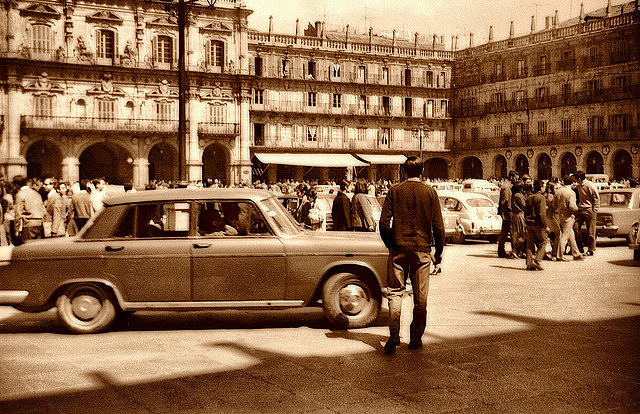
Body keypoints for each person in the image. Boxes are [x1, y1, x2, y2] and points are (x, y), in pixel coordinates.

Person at [379, 156, 445, 354]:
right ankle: (415, 338)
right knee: (420, 298)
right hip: (422, 251)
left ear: (404, 171)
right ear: (422, 171)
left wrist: (392, 244)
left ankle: (393, 335)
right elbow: (438, 227)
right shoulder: (430, 192)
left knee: (395, 292)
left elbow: (383, 224)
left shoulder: (394, 191)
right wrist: (439, 253)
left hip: (398, 249)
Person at [555, 175, 583, 261]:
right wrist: (577, 209)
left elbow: (554, 203)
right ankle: (559, 255)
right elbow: (572, 206)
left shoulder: (558, 191)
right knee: (565, 236)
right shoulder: (571, 193)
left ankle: (576, 253)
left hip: (560, 214)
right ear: (571, 183)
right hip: (569, 215)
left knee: (571, 235)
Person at [524, 180, 550, 271]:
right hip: (538, 224)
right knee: (543, 241)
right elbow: (542, 214)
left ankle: (529, 263)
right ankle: (537, 260)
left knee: (530, 244)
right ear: (541, 188)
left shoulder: (529, 197)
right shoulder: (541, 198)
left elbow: (525, 211)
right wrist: (545, 225)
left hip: (529, 223)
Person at [14, 176, 46, 244]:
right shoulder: (37, 194)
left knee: (27, 249)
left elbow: (18, 213)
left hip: (28, 224)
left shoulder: (20, 194)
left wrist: (17, 229)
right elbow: (43, 210)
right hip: (39, 223)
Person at [574, 170, 599, 256]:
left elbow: (596, 197)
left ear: (580, 178)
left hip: (589, 210)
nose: (575, 181)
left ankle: (590, 249)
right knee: (575, 227)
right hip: (580, 210)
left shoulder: (589, 185)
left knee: (590, 231)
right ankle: (579, 247)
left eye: (576, 179)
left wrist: (595, 209)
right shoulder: (578, 186)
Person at [497, 171, 517, 258]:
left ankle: (501, 250)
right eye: (515, 177)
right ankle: (514, 251)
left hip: (506, 212)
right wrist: (509, 212)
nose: (516, 179)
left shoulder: (506, 186)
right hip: (507, 213)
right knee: (512, 232)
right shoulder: (506, 187)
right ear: (512, 177)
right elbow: (505, 201)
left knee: (504, 233)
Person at [544, 181, 561, 260]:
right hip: (552, 216)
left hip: (547, 217)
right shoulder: (551, 196)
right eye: (556, 188)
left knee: (551, 235)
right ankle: (555, 253)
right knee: (557, 234)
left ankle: (552, 251)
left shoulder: (545, 195)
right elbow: (554, 207)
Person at [510, 180, 527, 259]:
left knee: (520, 235)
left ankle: (517, 251)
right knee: (523, 235)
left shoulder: (515, 195)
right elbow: (524, 206)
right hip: (520, 216)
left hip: (517, 215)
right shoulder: (518, 196)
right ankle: (515, 250)